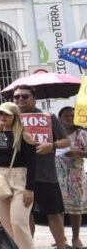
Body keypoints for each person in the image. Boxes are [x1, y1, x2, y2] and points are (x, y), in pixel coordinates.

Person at [12, 85, 69, 249]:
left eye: (25, 96)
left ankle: (61, 246)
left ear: (34, 98)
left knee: (54, 212)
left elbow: (66, 141)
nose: (20, 99)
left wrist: (51, 146)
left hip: (45, 174)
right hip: (20, 176)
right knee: (25, 215)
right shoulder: (10, 119)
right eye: (17, 97)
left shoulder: (49, 117)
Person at [0, 101, 36, 249]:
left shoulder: (25, 136)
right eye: (0, 113)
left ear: (15, 116)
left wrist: (30, 188)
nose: (3, 116)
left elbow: (33, 165)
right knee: (5, 223)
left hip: (20, 179)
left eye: (7, 114)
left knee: (19, 222)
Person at [57, 106, 86, 249]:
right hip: (57, 175)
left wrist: (78, 153)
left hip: (75, 177)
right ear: (60, 118)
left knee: (75, 209)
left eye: (72, 115)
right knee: (58, 208)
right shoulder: (55, 133)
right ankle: (60, 237)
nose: (70, 118)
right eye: (66, 115)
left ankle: (76, 238)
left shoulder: (81, 133)